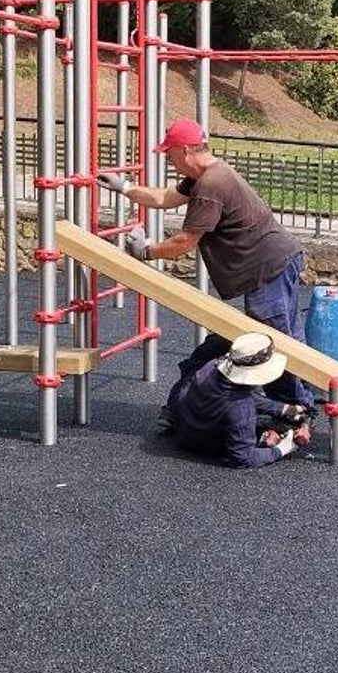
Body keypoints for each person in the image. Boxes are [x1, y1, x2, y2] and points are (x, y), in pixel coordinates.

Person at [97, 118, 313, 412]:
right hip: (276, 260)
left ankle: (297, 409)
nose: (168, 159)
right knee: (289, 339)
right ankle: (305, 397)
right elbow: (163, 197)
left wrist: (146, 251)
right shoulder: (206, 174)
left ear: (185, 151)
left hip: (268, 266)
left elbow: (186, 241)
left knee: (271, 341)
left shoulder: (211, 185)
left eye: (169, 153)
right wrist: (125, 187)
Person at [168, 332, 309, 468]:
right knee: (261, 434)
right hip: (201, 443)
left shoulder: (213, 366)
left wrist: (279, 408)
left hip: (185, 416)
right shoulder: (241, 409)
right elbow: (243, 457)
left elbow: (233, 392)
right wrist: (282, 449)